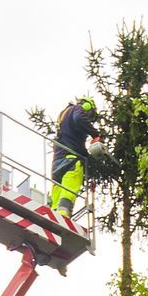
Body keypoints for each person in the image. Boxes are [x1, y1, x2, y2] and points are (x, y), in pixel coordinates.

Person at [49, 97, 100, 227]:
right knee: (68, 193)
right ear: (88, 107)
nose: (89, 120)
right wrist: (95, 134)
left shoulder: (64, 117)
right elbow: (79, 118)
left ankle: (51, 219)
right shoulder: (77, 109)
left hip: (57, 163)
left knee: (56, 198)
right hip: (71, 162)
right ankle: (62, 219)